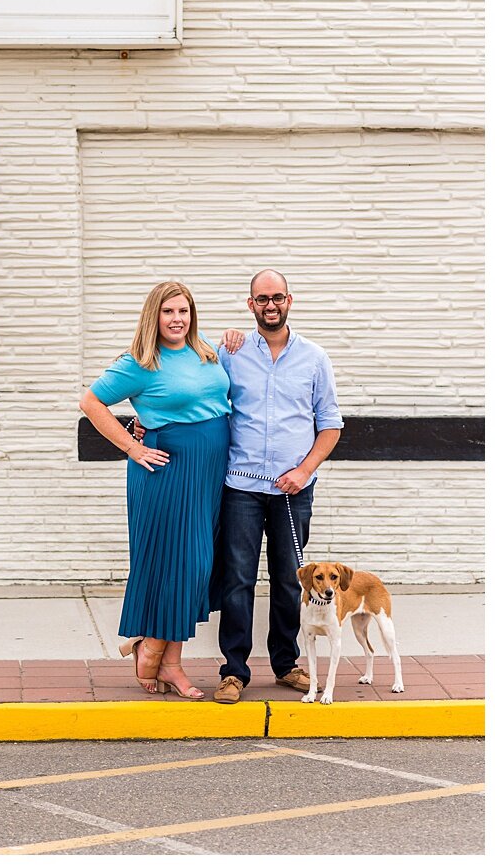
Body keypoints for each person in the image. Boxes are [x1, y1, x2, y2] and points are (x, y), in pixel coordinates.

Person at [79, 280, 231, 700]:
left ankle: (152, 648)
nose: (177, 319)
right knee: (176, 565)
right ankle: (162, 660)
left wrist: (237, 337)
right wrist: (131, 445)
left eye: (183, 311)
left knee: (196, 565)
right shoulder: (138, 363)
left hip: (207, 473)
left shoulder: (207, 353)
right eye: (168, 312)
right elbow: (91, 402)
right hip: (166, 471)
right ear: (154, 317)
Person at [206, 270, 342, 704]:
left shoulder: (315, 358)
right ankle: (234, 672)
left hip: (293, 489)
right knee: (237, 579)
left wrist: (304, 471)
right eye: (261, 298)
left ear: (289, 301)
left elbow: (330, 425)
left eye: (277, 297)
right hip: (241, 486)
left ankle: (286, 665)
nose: (270, 304)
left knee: (290, 579)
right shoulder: (231, 352)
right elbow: (189, 380)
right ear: (250, 305)